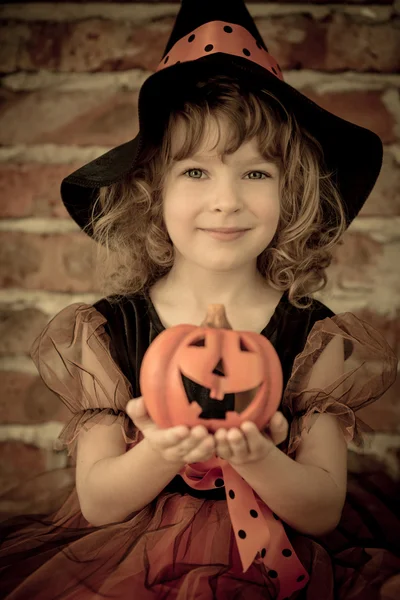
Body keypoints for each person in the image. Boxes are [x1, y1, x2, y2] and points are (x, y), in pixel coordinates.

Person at [0, 1, 399, 599]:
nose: (226, 200)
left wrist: (257, 455)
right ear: (150, 188)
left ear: (290, 193)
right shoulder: (111, 329)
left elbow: (322, 511)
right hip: (136, 558)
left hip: (277, 556)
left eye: (256, 174)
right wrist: (161, 451)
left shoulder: (314, 334)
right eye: (195, 172)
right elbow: (100, 502)